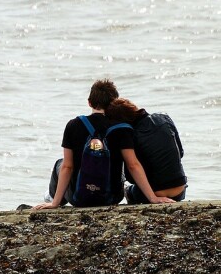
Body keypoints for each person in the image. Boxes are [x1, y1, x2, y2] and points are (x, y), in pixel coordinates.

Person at [34, 80, 174, 210]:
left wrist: (55, 204)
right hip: (111, 198)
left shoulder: (73, 125)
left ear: (89, 102)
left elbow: (67, 167)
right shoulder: (123, 128)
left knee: (61, 163)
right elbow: (133, 165)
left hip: (79, 198)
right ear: (114, 103)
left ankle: (52, 198)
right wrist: (152, 198)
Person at [105, 97, 187, 203]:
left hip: (153, 193)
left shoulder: (130, 135)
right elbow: (180, 153)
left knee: (129, 191)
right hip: (179, 191)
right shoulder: (164, 118)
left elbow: (131, 174)